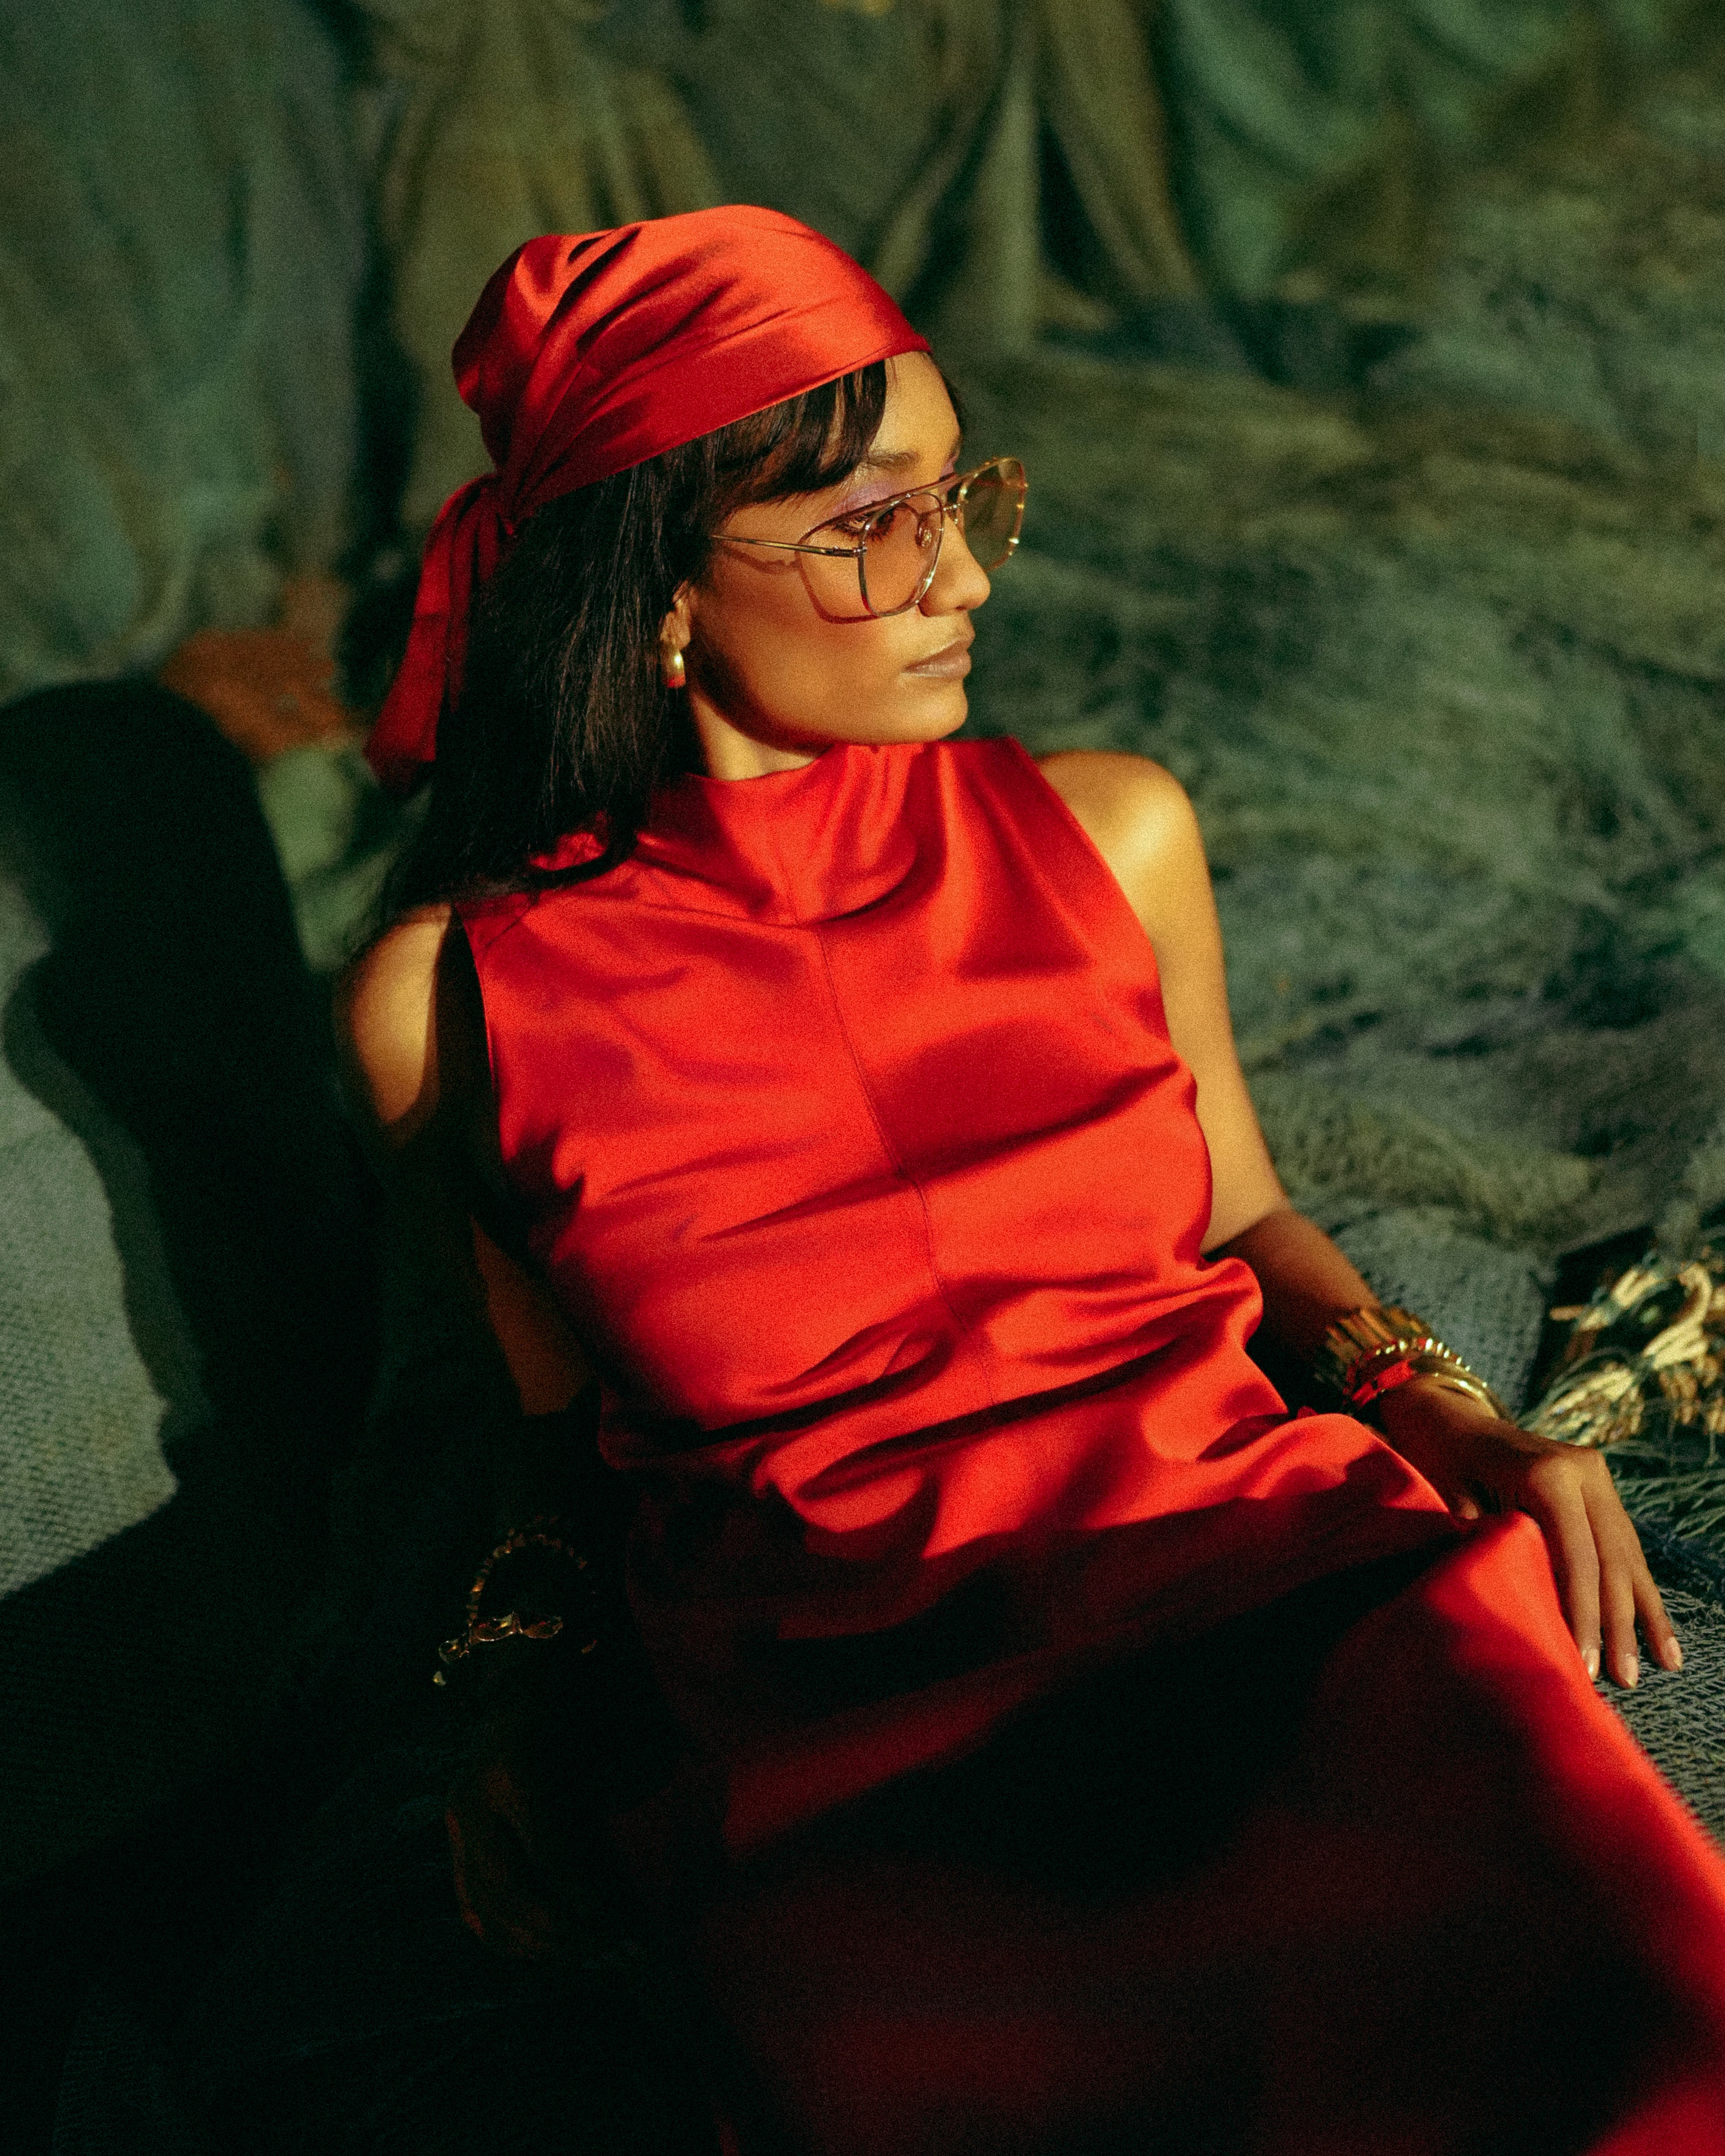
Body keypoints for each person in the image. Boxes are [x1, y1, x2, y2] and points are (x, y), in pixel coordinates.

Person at [339, 207, 1725, 2154]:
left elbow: (1240, 1212)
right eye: (876, 523)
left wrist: (1455, 1412)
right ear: (659, 588)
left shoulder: (1109, 825)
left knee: (1654, 2048)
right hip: (855, 1745)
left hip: (1276, 1593)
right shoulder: (456, 1003)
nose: (968, 571)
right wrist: (510, 1714)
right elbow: (553, 1437)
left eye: (968, 493)